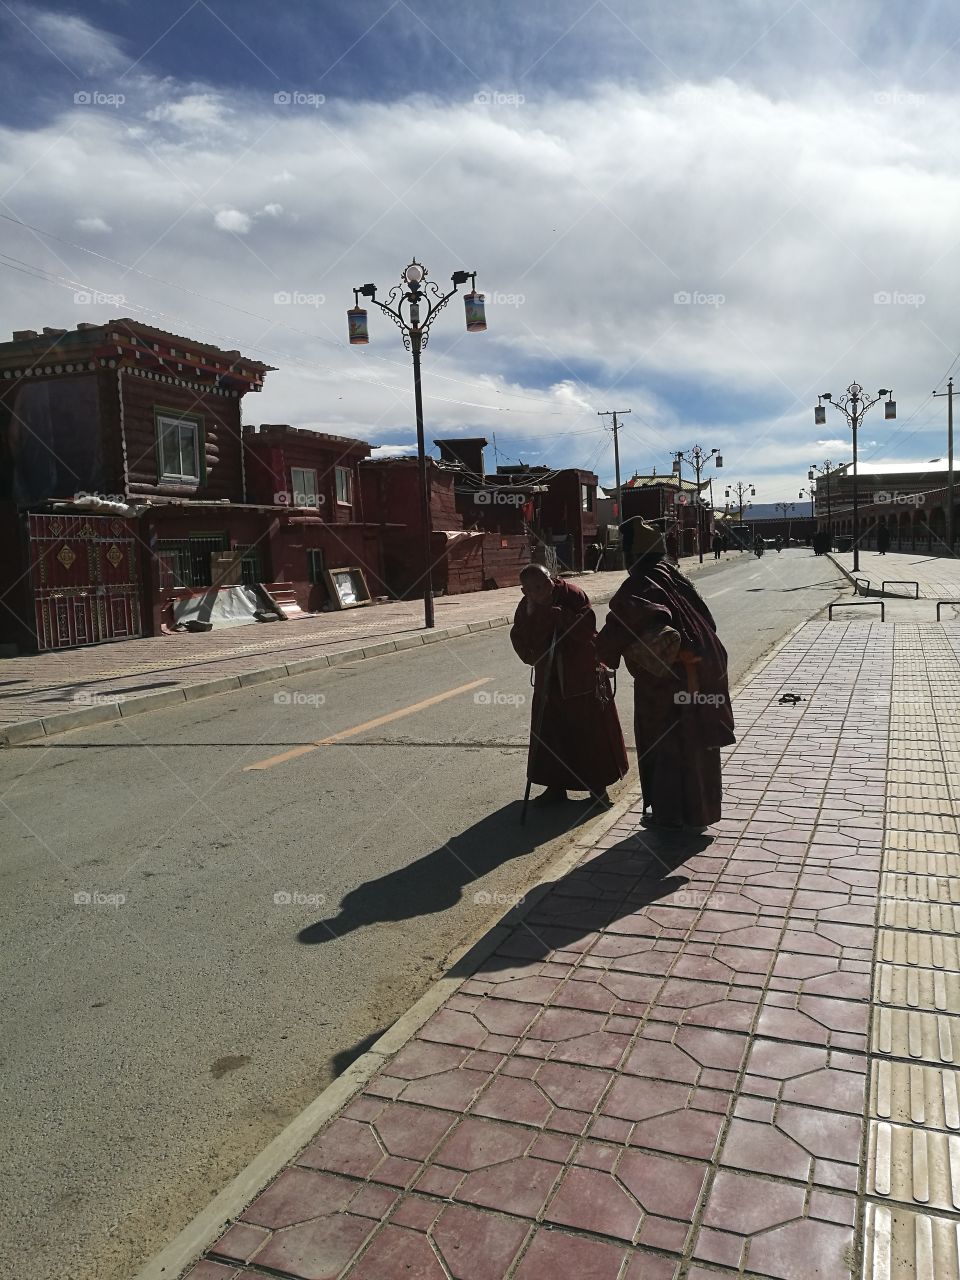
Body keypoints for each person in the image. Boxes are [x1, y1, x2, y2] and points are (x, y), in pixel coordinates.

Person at [597, 519, 735, 831]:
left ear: (633, 553)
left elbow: (625, 621)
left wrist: (601, 650)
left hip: (667, 682)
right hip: (704, 669)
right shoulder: (675, 577)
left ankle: (669, 816)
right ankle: (700, 814)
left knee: (666, 746)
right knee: (697, 743)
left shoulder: (640, 582)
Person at [511, 564, 628, 808]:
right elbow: (519, 636)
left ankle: (598, 790)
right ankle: (556, 788)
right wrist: (531, 654)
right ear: (524, 592)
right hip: (549, 681)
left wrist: (559, 616)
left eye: (543, 584)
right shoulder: (527, 607)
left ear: (551, 579)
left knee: (589, 735)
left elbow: (588, 631)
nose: (540, 591)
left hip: (582, 679)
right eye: (532, 589)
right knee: (552, 735)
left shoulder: (572, 595)